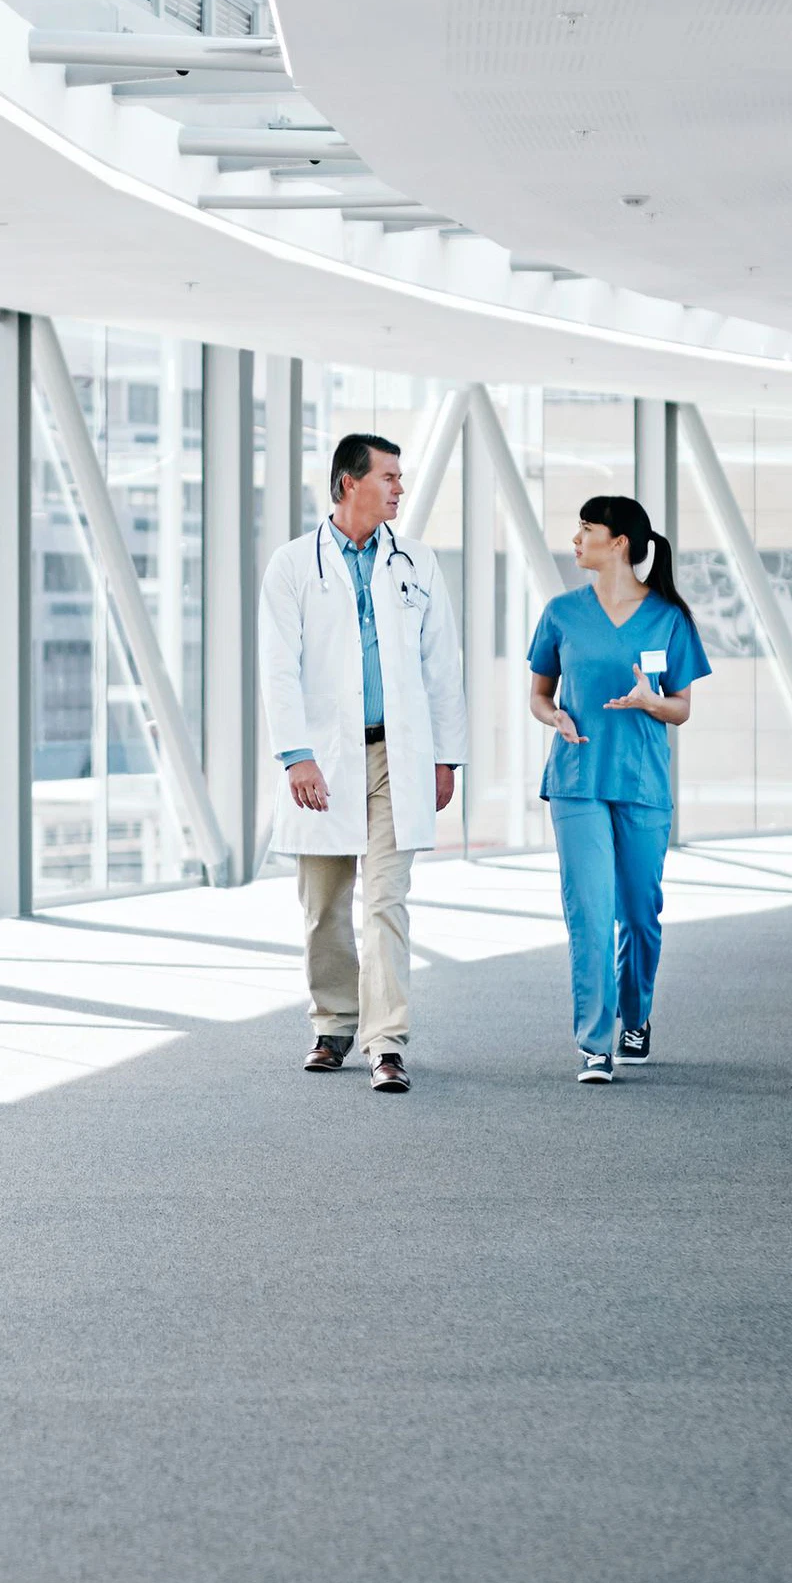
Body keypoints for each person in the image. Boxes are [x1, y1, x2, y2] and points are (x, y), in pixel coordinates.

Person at [260, 430, 465, 1094]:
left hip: (396, 756)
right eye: (389, 476)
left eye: (400, 477)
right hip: (322, 757)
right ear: (349, 483)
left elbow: (442, 665)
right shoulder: (294, 564)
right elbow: (278, 667)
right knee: (324, 905)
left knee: (385, 902)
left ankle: (387, 1041)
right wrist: (297, 756)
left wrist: (447, 757)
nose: (400, 488)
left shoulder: (416, 562)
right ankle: (333, 1024)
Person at [524, 495, 710, 1083]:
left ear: (619, 542)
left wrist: (652, 700)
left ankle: (636, 1016)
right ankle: (595, 1042)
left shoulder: (668, 618)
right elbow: (539, 695)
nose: (576, 539)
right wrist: (554, 716)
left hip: (641, 781)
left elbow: (681, 707)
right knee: (590, 910)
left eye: (587, 528)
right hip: (577, 780)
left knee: (639, 913)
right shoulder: (561, 613)